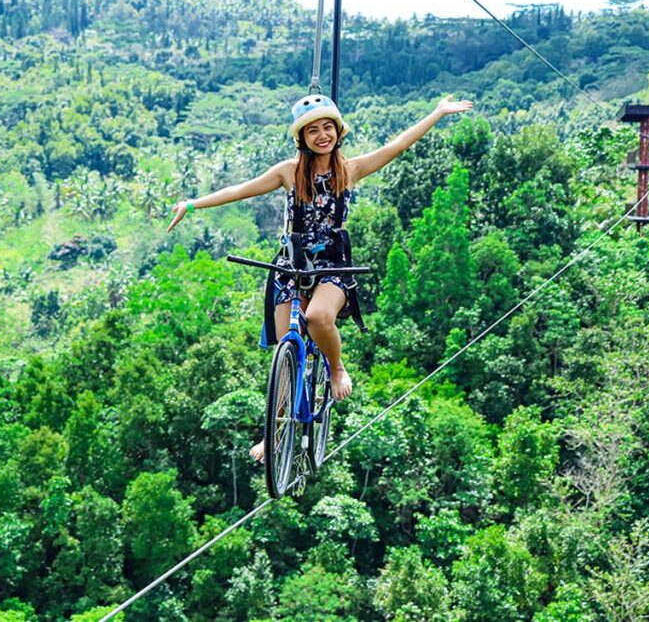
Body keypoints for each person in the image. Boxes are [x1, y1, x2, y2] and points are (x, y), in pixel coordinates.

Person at [167, 94, 473, 462]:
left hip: (332, 264)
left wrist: (437, 112)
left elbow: (398, 145)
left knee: (316, 319)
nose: (322, 135)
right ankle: (275, 433)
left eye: (327, 127)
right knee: (287, 353)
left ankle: (336, 367)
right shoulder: (288, 173)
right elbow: (240, 190)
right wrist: (192, 204)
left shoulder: (350, 170)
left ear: (338, 131)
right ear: (302, 138)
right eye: (313, 130)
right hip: (291, 263)